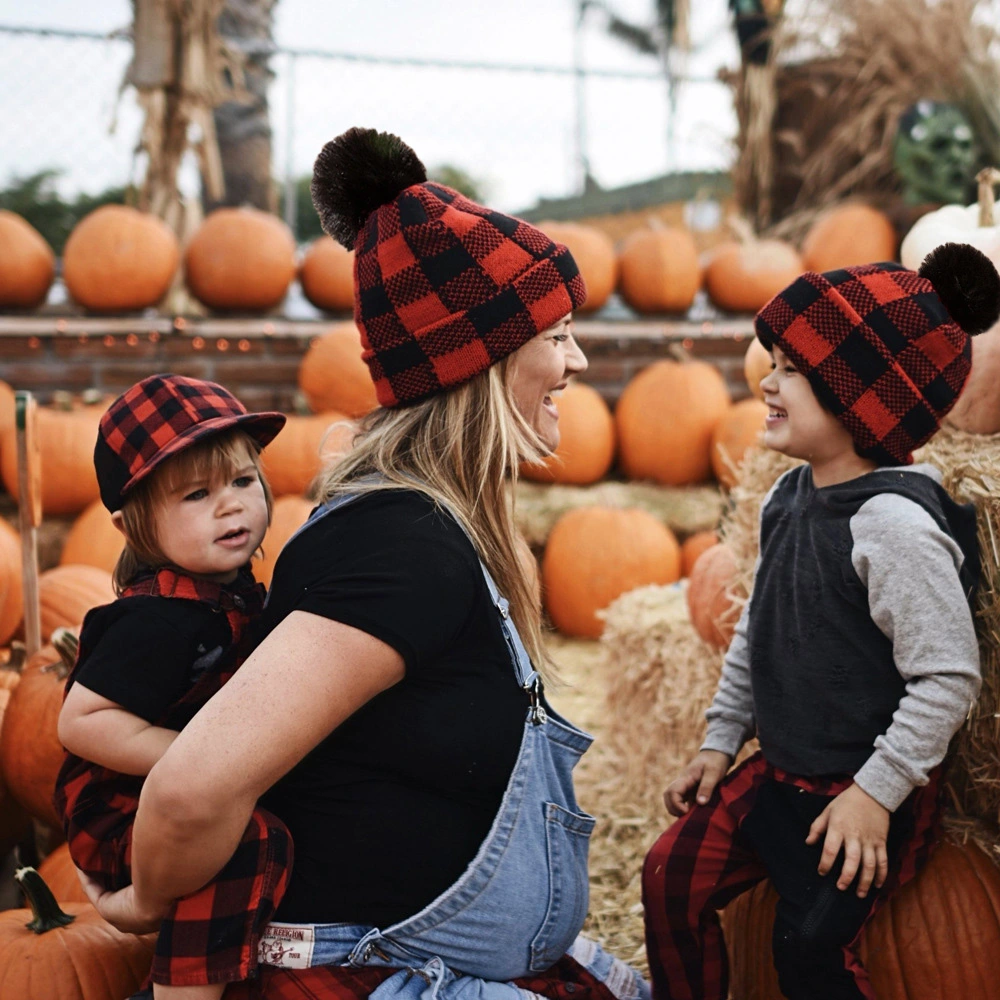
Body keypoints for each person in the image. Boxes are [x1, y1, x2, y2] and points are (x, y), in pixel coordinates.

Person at [81, 127, 649, 1000]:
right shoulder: (400, 545)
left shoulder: (432, 526)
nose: (576, 359)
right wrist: (142, 902)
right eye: (559, 334)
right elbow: (193, 792)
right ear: (482, 362)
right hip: (379, 975)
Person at [642, 243, 1000, 1000]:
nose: (765, 381)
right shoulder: (786, 498)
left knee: (808, 950)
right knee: (669, 875)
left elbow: (948, 675)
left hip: (866, 787)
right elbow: (755, 635)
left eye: (791, 370)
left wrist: (876, 795)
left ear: (861, 397)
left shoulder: (893, 526)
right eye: (772, 362)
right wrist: (719, 738)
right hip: (780, 771)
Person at [55, 374, 288, 1000]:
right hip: (121, 812)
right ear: (134, 528)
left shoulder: (236, 595)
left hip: (178, 793)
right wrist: (204, 761)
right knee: (246, 834)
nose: (231, 504)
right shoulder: (153, 621)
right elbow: (80, 721)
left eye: (243, 481)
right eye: (196, 494)